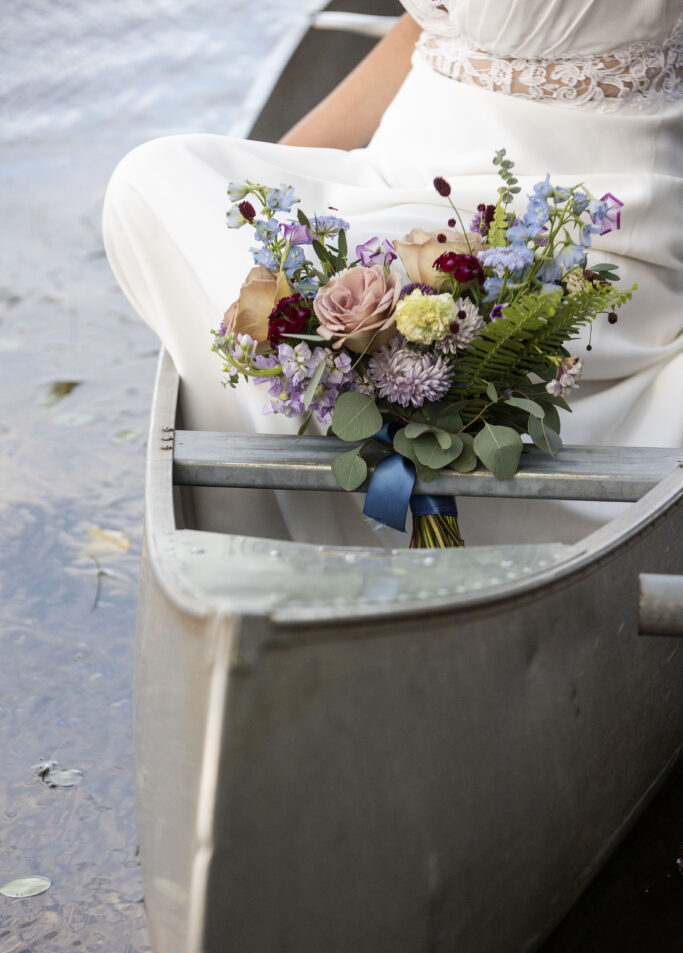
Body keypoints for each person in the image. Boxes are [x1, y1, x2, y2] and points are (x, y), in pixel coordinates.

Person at [103, 0, 682, 547]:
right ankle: (247, 544)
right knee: (152, 179)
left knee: (349, 313)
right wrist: (259, 211)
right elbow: (421, 27)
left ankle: (305, 551)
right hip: (388, 177)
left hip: (566, 212)